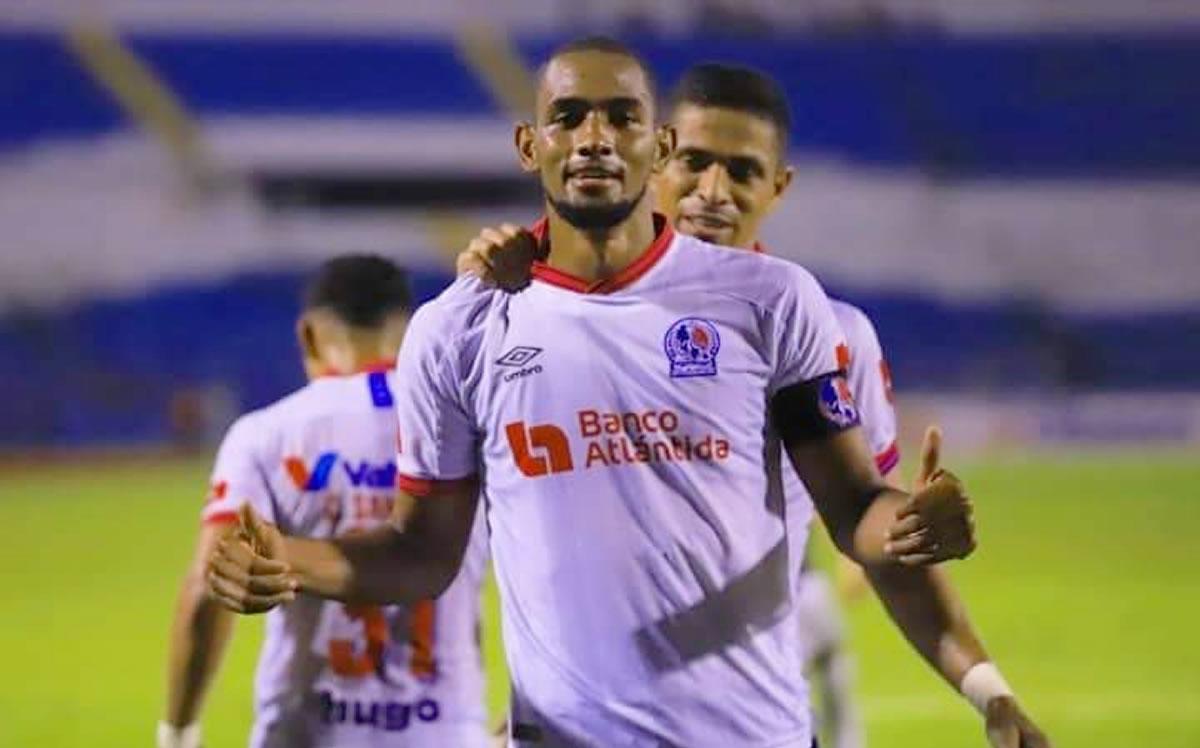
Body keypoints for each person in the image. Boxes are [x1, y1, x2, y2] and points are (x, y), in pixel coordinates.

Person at [207, 38, 988, 747]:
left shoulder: (772, 301)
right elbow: (421, 553)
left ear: (661, 146)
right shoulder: (458, 330)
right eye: (567, 117)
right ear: (529, 145)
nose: (593, 138)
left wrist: (909, 525)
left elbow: (854, 509)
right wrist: (290, 559)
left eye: (622, 117)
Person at [456, 59, 1050, 748]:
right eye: (697, 163)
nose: (714, 191)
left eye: (741, 171)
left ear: (778, 186)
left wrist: (986, 686)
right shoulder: (544, 312)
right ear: (658, 155)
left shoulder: (828, 334)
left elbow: (869, 524)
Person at [161, 256, 490, 748]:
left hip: (307, 731)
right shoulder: (467, 429)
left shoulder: (265, 435)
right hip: (445, 730)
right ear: (410, 331)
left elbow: (210, 586)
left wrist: (178, 732)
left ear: (309, 337)